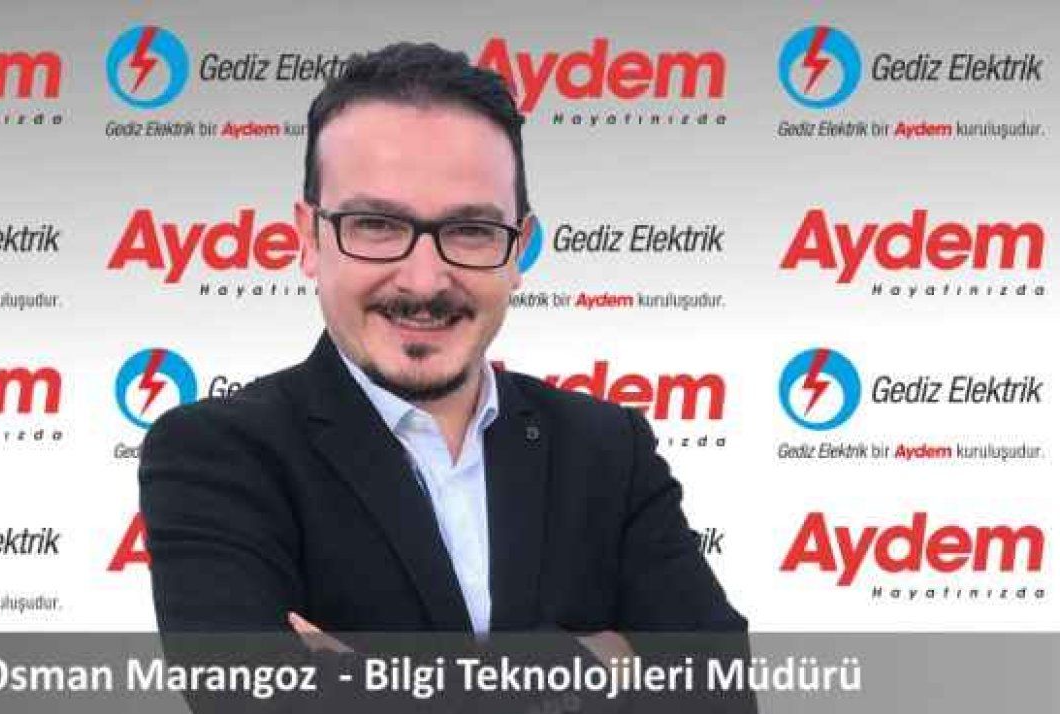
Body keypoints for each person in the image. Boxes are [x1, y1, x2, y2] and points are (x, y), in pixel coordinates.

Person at [138, 42, 746, 643]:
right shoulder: (217, 454)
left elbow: (718, 683)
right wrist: (603, 659)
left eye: (470, 230)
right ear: (308, 239)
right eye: (376, 226)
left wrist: (364, 678)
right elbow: (256, 691)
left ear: (519, 248)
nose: (424, 281)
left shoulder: (608, 449)